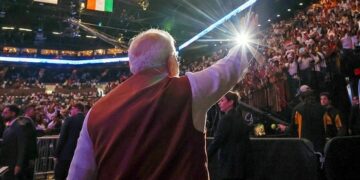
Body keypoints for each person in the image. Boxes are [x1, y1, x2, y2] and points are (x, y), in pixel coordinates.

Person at [68, 16, 257, 179]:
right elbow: (231, 67)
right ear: (170, 60)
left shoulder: (96, 113)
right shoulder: (188, 91)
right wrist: (249, 30)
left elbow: (78, 175)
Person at [207, 92, 251, 180]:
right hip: (241, 163)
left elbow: (217, 141)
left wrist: (206, 157)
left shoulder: (226, 119)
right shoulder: (240, 119)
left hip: (229, 163)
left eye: (222, 100)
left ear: (231, 102)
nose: (219, 103)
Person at [289, 85, 326, 152]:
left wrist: (285, 128)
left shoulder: (297, 109)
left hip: (305, 146)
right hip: (321, 145)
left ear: (301, 96)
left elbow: (293, 129)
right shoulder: (322, 108)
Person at [0, 105, 33, 180]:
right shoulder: (9, 125)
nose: (3, 114)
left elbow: (22, 146)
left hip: (14, 163)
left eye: (6, 112)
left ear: (13, 113)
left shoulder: (20, 126)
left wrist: (18, 164)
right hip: (7, 162)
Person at [54, 103, 85, 180]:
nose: (70, 111)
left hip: (66, 155)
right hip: (81, 156)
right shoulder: (87, 120)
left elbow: (62, 138)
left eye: (72, 109)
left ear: (76, 109)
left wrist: (56, 154)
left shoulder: (70, 120)